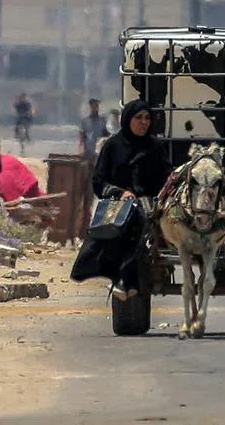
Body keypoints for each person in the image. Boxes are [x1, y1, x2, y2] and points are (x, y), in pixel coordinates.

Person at [71, 100, 171, 300]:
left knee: (143, 223)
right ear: (128, 119)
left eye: (147, 118)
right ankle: (125, 279)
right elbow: (99, 182)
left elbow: (166, 178)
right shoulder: (113, 145)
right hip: (117, 204)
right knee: (123, 228)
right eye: (139, 118)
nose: (144, 122)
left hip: (150, 204)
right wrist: (120, 193)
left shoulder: (156, 147)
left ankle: (125, 279)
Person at [78, 98, 109, 164]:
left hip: (99, 153)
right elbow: (81, 137)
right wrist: (81, 150)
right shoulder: (85, 121)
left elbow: (106, 136)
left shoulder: (102, 120)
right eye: (93, 107)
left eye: (96, 107)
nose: (95, 109)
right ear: (90, 107)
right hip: (88, 152)